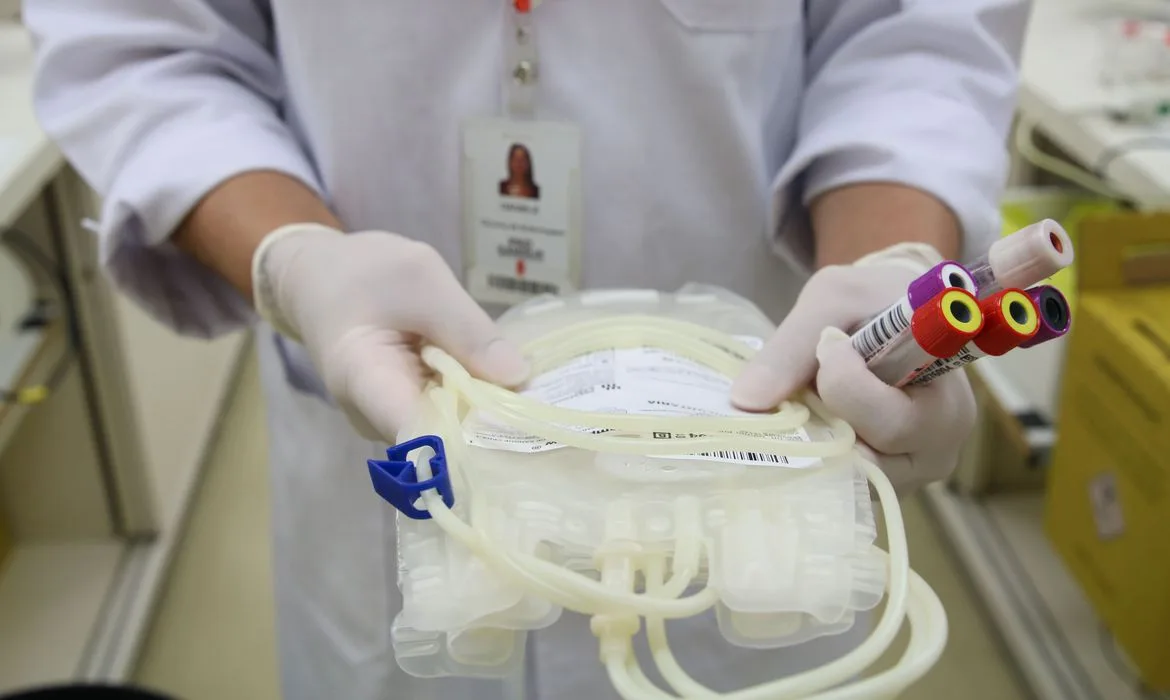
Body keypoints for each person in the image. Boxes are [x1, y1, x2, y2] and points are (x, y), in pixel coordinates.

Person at [25, 1, 1030, 698]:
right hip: (384, 425)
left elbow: (913, 34)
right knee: (425, 643)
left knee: (758, 641)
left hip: (745, 432)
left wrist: (889, 271)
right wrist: (296, 260)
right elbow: (145, 43)